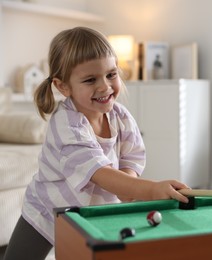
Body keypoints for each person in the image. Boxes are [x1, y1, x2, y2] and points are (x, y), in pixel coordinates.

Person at [4, 27, 189, 260]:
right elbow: (99, 172)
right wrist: (151, 189)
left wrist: (128, 184)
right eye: (91, 80)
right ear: (63, 87)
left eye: (111, 74)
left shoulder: (120, 116)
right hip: (46, 212)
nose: (105, 86)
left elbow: (131, 156)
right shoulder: (67, 126)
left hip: (92, 212)